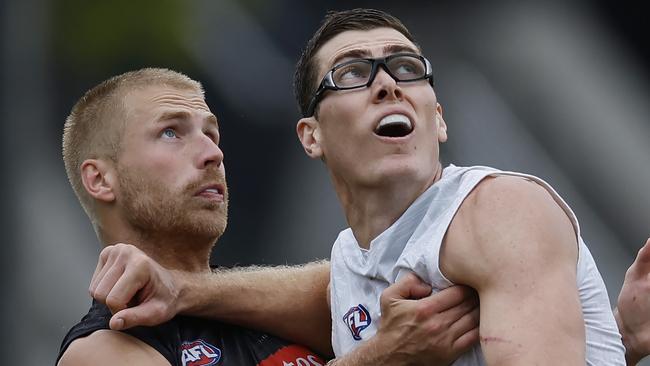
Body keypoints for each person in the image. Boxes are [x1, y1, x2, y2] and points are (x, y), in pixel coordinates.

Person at [85, 8, 647, 365]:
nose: (386, 84)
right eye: (351, 74)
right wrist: (181, 290)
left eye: (407, 67)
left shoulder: (499, 210)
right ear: (311, 137)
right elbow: (324, 289)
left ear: (439, 118)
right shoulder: (354, 261)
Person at [56, 68, 480, 366]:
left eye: (212, 133)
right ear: (100, 180)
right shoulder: (103, 349)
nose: (213, 154)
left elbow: (350, 277)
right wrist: (380, 359)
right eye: (171, 132)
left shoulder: (271, 307)